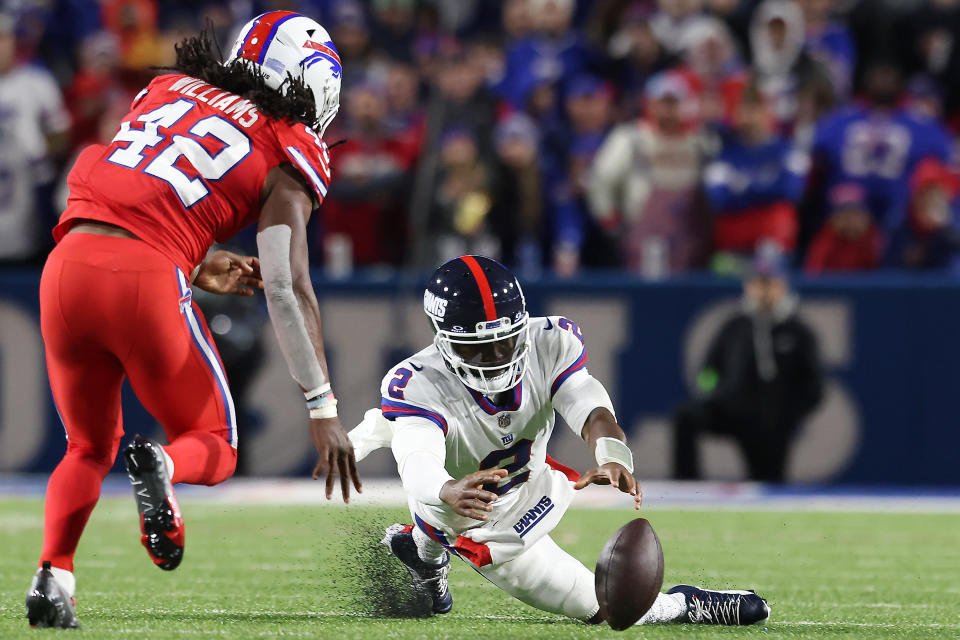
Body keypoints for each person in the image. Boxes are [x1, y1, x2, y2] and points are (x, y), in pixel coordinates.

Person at [26, 11, 362, 629]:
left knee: (86, 446)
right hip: (143, 281)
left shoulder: (168, 88)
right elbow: (285, 285)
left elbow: (137, 191)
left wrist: (197, 258)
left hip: (65, 264)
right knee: (214, 443)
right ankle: (164, 466)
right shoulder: (291, 141)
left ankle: (54, 576)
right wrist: (322, 409)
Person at [347, 255, 771, 627]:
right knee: (609, 607)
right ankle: (682, 605)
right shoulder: (419, 382)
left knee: (451, 500)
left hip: (528, 480)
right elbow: (419, 460)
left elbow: (588, 404)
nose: (497, 358)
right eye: (479, 349)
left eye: (505, 341)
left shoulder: (549, 342)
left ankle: (419, 550)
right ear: (443, 339)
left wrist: (611, 454)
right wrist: (445, 488)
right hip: (475, 516)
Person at [674, 247, 823, 482]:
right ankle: (686, 486)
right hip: (732, 410)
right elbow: (709, 370)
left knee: (769, 481)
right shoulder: (736, 326)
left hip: (772, 422)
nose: (763, 291)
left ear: (782, 286)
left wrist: (789, 416)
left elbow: (814, 386)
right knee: (686, 417)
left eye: (769, 283)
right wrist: (713, 394)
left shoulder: (797, 332)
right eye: (758, 283)